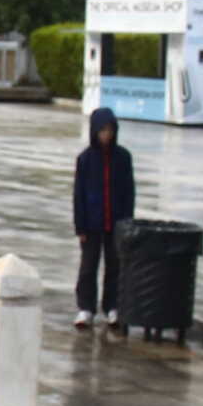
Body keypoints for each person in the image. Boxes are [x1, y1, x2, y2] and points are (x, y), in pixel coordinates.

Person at [72, 107, 135, 330]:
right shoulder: (85, 160)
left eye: (109, 130)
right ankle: (86, 308)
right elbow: (78, 195)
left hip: (116, 224)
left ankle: (113, 307)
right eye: (102, 130)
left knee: (115, 266)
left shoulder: (123, 158)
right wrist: (80, 226)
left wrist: (127, 223)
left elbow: (129, 192)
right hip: (91, 224)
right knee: (88, 267)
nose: (106, 135)